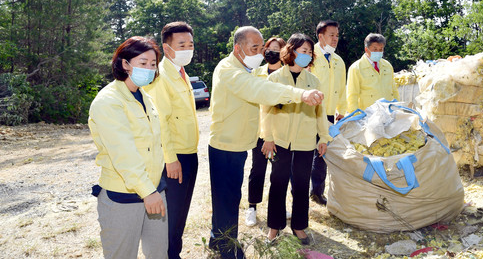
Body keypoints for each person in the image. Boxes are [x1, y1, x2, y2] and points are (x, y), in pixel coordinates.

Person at [208, 26, 324, 259]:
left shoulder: (244, 68)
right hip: (225, 144)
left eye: (261, 48)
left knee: (228, 198)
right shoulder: (230, 70)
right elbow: (260, 90)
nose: (260, 53)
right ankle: (227, 247)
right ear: (237, 48)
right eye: (255, 48)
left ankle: (216, 238)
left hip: (238, 143)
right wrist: (299, 94)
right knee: (227, 199)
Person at [88, 37, 167, 259]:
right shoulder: (108, 101)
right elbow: (123, 153)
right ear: (125, 64)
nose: (150, 69)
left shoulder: (146, 97)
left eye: (153, 64)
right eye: (143, 63)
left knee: (159, 253)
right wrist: (148, 191)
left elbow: (154, 143)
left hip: (155, 191)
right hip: (123, 196)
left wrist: (156, 188)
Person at [261, 33, 331, 246]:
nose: (307, 55)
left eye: (310, 52)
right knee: (278, 182)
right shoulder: (275, 78)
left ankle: (299, 226)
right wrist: (268, 138)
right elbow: (265, 110)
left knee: (301, 184)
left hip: (305, 141)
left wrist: (324, 137)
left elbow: (321, 112)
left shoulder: (313, 80)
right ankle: (274, 227)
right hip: (280, 141)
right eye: (303, 51)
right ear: (291, 51)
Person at [145, 21, 199, 259]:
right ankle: (167, 255)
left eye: (190, 44)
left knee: (181, 213)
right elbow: (161, 122)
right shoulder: (161, 76)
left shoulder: (181, 73)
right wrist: (170, 159)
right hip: (174, 158)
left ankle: (174, 253)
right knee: (171, 214)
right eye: (181, 44)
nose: (188, 48)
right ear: (167, 49)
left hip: (190, 153)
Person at [245, 36, 286, 227]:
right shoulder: (256, 72)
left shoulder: (287, 74)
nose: (271, 52)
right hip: (260, 131)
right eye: (268, 48)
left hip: (281, 132)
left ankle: (278, 207)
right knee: (258, 168)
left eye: (276, 49)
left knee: (279, 172)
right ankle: (252, 206)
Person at [308, 20, 346, 206]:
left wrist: (342, 110)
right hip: (308, 113)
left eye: (337, 35)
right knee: (305, 152)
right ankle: (298, 190)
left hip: (329, 114)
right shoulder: (310, 56)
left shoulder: (338, 61)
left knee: (322, 154)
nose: (335, 39)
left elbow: (342, 88)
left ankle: (317, 191)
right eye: (331, 35)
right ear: (320, 36)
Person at [346, 33, 400, 113]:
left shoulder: (387, 66)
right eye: (375, 49)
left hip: (389, 112)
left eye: (381, 49)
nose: (378, 52)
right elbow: (352, 96)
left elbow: (394, 90)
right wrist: (355, 116)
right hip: (368, 115)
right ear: (366, 49)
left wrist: (398, 108)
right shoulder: (356, 68)